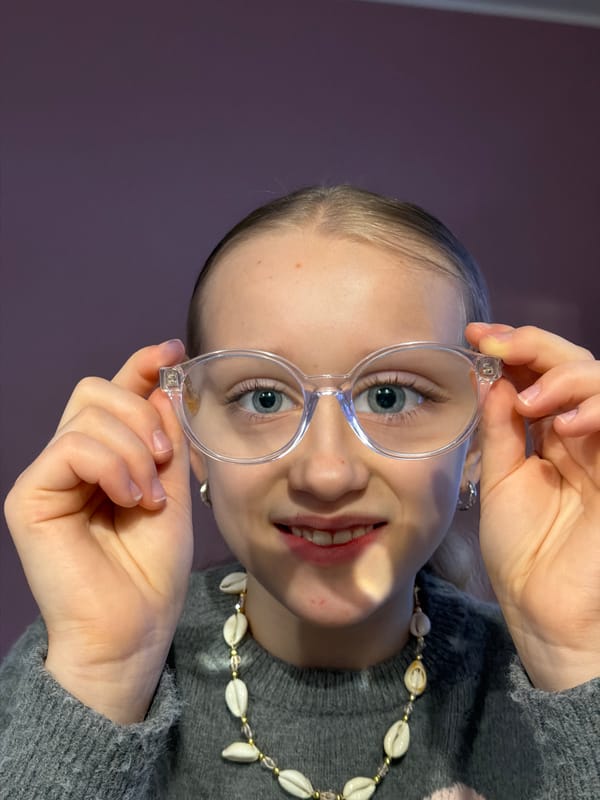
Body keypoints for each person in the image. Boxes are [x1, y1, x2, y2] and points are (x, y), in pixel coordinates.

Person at [1, 186, 599, 800]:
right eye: (264, 398)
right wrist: (105, 672)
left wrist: (578, 653)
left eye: (391, 395)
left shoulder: (564, 680)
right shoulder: (68, 677)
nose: (326, 473)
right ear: (193, 436)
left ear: (477, 438)